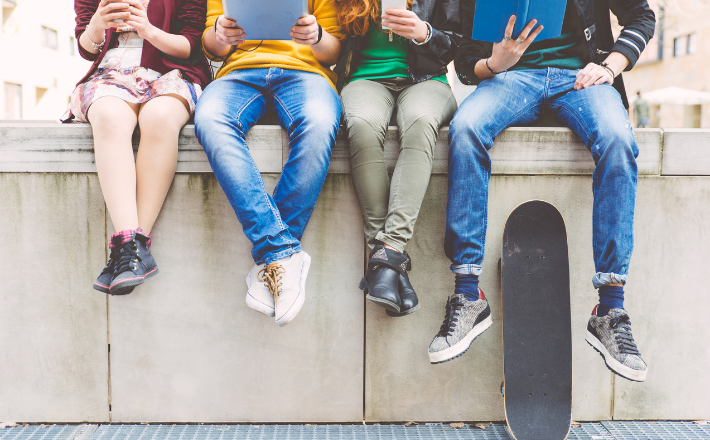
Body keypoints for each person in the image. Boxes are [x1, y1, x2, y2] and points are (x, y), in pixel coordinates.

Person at [428, 0, 655, 383]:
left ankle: (610, 311)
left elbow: (642, 14)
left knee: (618, 141)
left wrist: (609, 66)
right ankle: (468, 294)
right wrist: (494, 63)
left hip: (582, 79)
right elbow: (467, 62)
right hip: (510, 79)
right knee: (465, 130)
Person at [194, 0, 344, 326]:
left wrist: (315, 35)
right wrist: (221, 33)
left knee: (319, 124)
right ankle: (281, 252)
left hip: (306, 73)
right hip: (238, 72)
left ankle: (271, 260)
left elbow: (333, 52)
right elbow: (212, 48)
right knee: (209, 119)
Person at [69, 0, 211, 296]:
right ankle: (130, 247)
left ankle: (133, 248)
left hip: (171, 71)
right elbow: (85, 46)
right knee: (108, 118)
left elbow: (192, 45)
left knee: (159, 118)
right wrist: (98, 22)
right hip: (110, 75)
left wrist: (148, 30)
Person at [334, 0, 459, 317]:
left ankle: (386, 251)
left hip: (427, 80)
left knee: (420, 123)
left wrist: (424, 33)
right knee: (361, 124)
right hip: (364, 79)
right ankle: (389, 260)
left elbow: (458, 45)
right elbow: (331, 44)